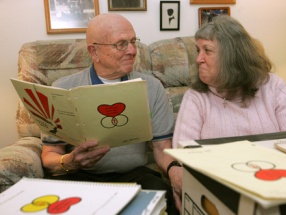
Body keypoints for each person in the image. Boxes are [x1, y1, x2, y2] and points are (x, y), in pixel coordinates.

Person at [41, 13, 181, 214]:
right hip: (79, 176)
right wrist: (69, 162)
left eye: (133, 42)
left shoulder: (151, 87)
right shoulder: (62, 89)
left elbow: (161, 149)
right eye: (121, 44)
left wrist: (175, 170)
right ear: (94, 51)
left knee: (162, 194)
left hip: (134, 176)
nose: (132, 51)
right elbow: (50, 155)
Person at [172, 15, 286, 148]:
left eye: (207, 50)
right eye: (198, 50)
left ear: (230, 56)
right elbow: (183, 156)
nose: (198, 59)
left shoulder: (276, 88)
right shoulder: (195, 97)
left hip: (276, 168)